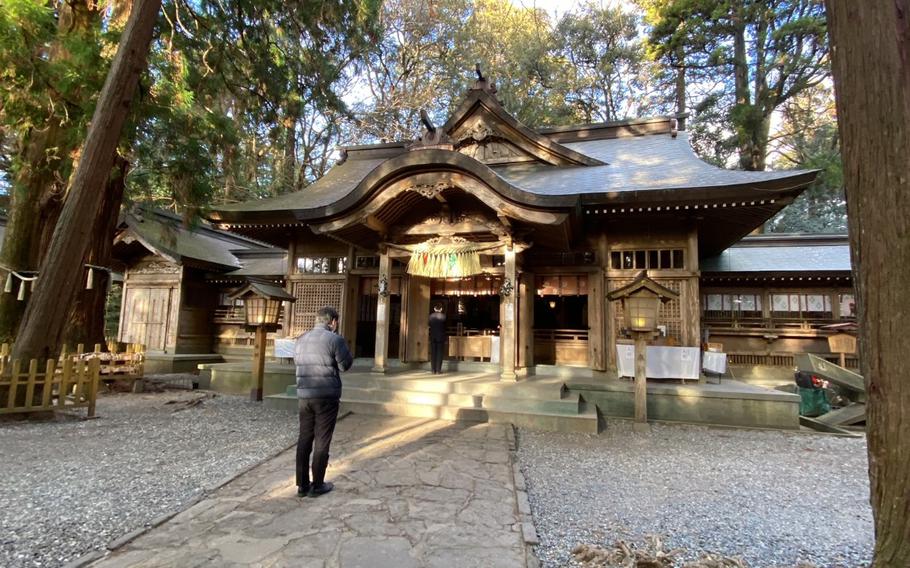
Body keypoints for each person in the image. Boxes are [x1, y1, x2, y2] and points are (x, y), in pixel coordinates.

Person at [293, 306, 353, 498]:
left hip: (304, 395)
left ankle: (302, 485)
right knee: (322, 439)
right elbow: (345, 365)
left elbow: (297, 362)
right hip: (326, 395)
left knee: (304, 439)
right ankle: (317, 484)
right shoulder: (335, 339)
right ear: (333, 322)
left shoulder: (300, 339)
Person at [429, 303, 447, 374]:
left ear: (434, 309)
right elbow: (445, 327)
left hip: (433, 336)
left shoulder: (431, 316)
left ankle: (433, 370)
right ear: (441, 309)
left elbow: (429, 324)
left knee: (433, 353)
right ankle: (438, 370)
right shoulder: (444, 316)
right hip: (441, 336)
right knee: (440, 353)